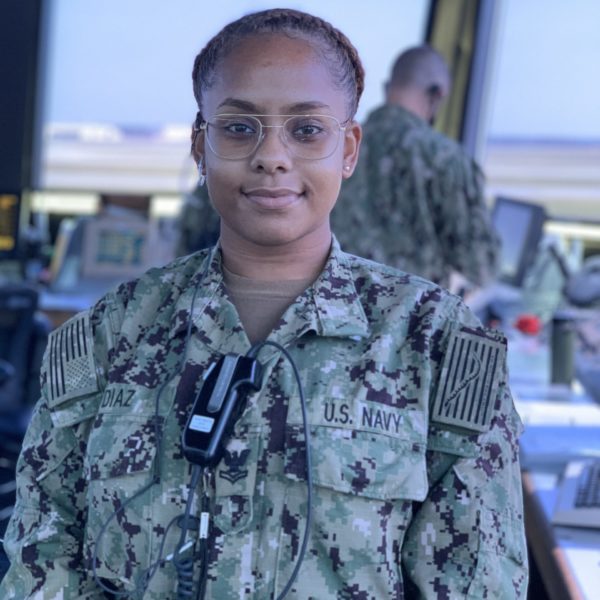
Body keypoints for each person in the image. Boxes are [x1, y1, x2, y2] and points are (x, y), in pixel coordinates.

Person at [0, 9, 528, 599]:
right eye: (238, 127)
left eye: (306, 130)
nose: (271, 155)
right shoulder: (106, 333)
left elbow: (477, 582)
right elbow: (42, 559)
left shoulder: (438, 345)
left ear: (348, 149)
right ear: (200, 147)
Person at [331, 45, 500, 290]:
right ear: (436, 95)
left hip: (335, 313)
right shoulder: (445, 158)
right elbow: (482, 265)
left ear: (387, 88)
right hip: (409, 320)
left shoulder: (339, 146)